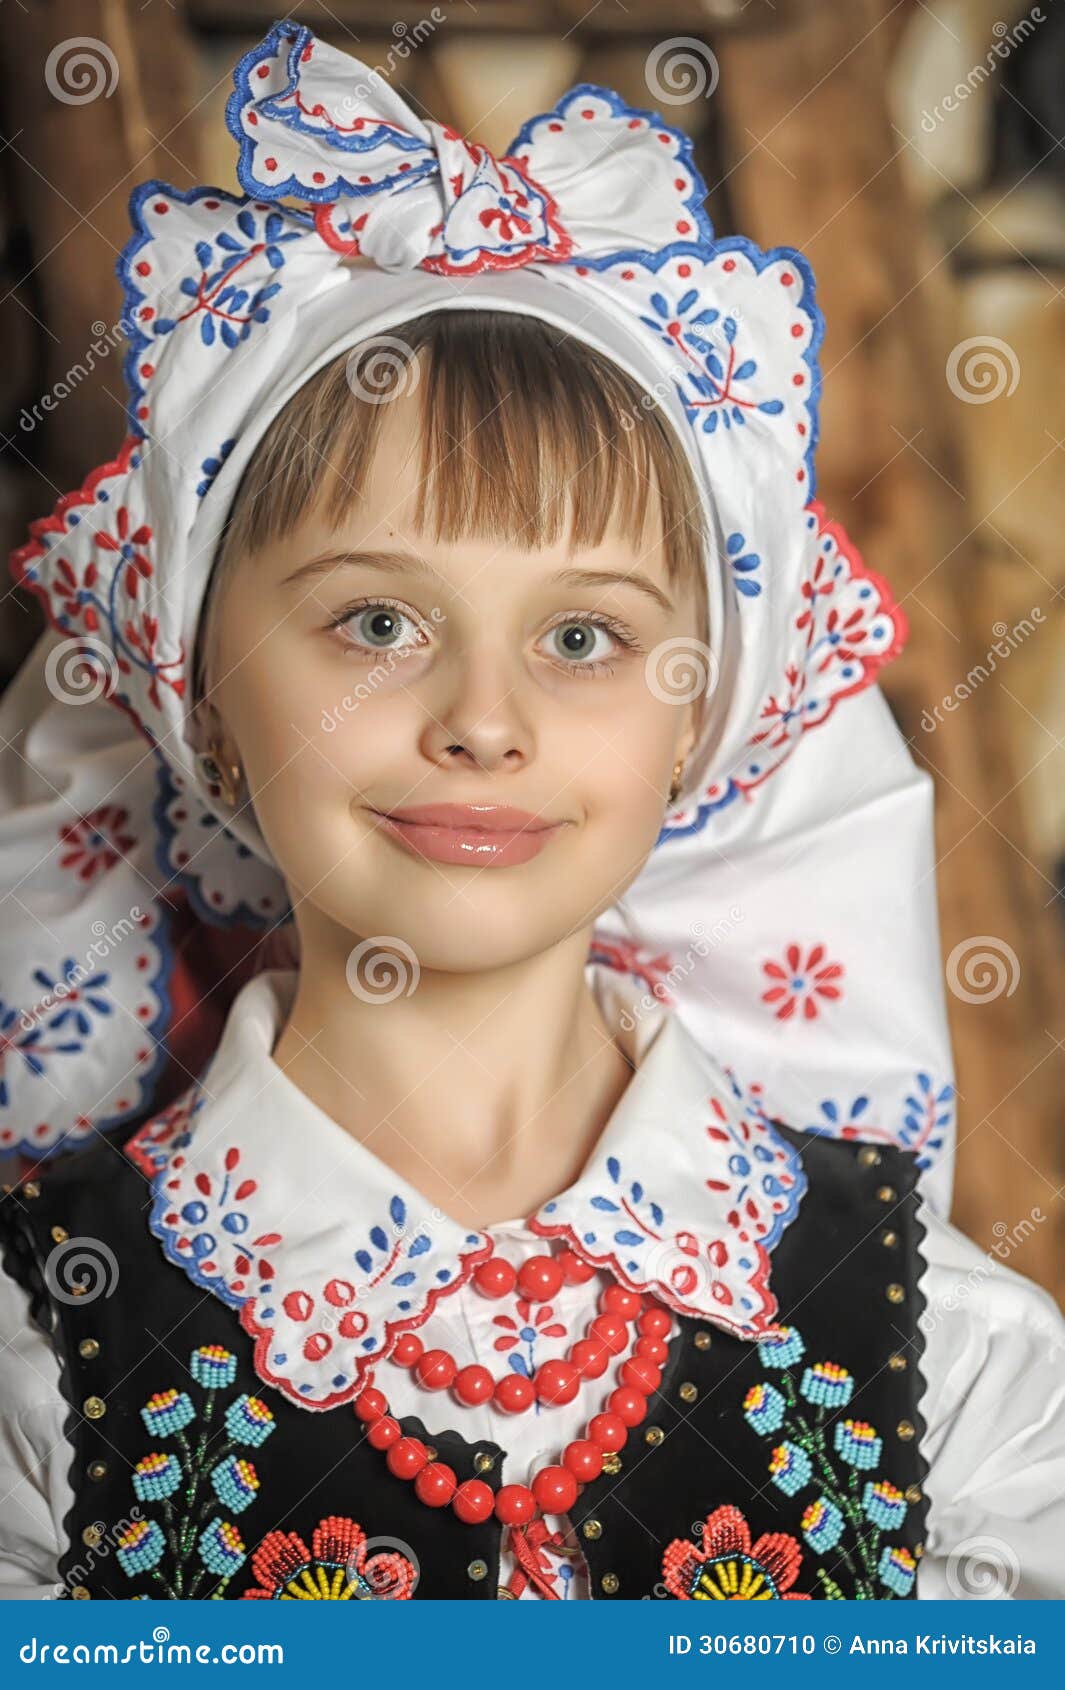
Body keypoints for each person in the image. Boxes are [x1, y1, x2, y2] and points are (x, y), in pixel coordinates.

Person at [0, 22, 1062, 1603]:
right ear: (199, 695)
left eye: (583, 637)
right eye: (374, 620)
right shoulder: (38, 1361)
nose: (482, 720)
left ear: (702, 714)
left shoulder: (961, 1370)